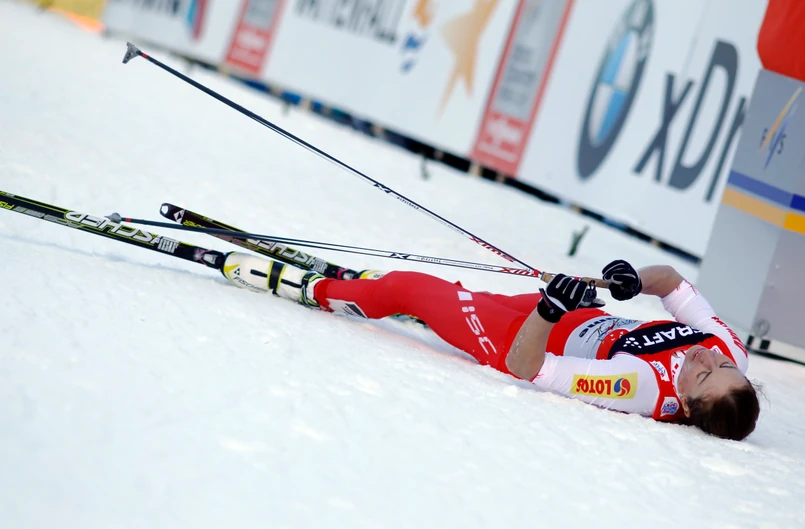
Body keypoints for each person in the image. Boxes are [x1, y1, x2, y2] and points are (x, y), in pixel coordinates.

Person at [221, 252, 760, 441]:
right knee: (454, 296)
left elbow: (530, 368)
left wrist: (548, 312)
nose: (706, 357)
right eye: (720, 362)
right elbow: (671, 282)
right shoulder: (728, 349)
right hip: (578, 314)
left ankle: (314, 290)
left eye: (704, 374)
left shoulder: (639, 387)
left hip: (521, 339)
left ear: (685, 404)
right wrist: (632, 280)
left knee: (414, 290)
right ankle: (377, 294)